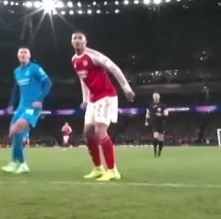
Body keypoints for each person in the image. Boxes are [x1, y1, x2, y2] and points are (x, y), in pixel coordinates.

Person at [71, 31, 134, 182]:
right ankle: (98, 168)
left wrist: (126, 88)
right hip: (93, 100)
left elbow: (114, 68)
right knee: (88, 133)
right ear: (71, 42)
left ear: (85, 41)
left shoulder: (93, 55)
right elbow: (84, 80)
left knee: (100, 132)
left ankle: (113, 171)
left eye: (80, 38)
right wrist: (85, 99)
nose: (77, 40)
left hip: (106, 96)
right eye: (75, 38)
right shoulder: (74, 59)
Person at [2, 47, 52, 174]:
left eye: (25, 52)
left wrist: (40, 99)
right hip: (21, 107)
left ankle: (21, 163)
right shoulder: (17, 71)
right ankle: (17, 163)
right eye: (21, 53)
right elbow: (16, 89)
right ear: (18, 56)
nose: (23, 54)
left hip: (33, 107)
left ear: (29, 56)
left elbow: (48, 83)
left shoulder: (35, 68)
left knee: (16, 130)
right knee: (15, 134)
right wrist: (11, 104)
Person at [145, 92, 168, 157]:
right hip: (154, 123)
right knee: (155, 137)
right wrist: (146, 121)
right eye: (154, 97)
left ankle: (159, 152)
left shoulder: (163, 105)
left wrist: (161, 114)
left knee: (161, 140)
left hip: (161, 123)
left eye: (156, 97)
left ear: (159, 97)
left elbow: (166, 113)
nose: (155, 98)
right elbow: (147, 114)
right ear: (153, 98)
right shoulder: (150, 106)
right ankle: (155, 152)